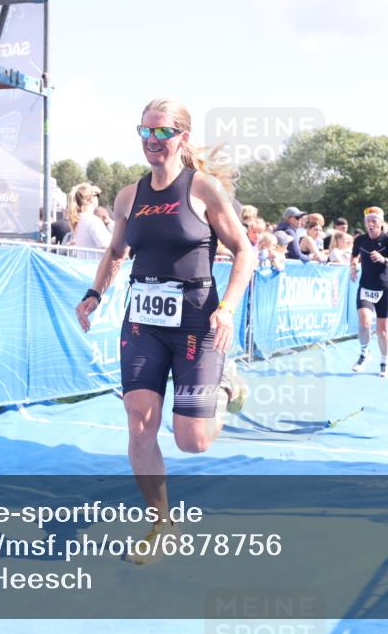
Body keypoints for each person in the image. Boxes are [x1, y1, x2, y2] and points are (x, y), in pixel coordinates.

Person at [74, 98, 255, 563]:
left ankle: (225, 385)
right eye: (145, 132)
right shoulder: (128, 196)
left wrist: (228, 308)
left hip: (197, 315)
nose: (152, 142)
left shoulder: (204, 190)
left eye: (162, 133)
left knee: (191, 441)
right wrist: (94, 295)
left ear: (182, 137)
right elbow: (116, 252)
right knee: (139, 423)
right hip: (143, 321)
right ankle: (162, 522)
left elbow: (244, 251)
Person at [350, 206, 388, 378]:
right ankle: (364, 354)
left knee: (382, 331)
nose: (371, 224)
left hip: (384, 289)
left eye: (374, 221)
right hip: (365, 287)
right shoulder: (360, 240)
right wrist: (353, 266)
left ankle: (385, 362)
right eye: (368, 221)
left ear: (381, 223)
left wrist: (384, 260)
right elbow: (354, 255)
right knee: (364, 323)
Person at [67, 183, 111, 250]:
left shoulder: (77, 220)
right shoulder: (93, 221)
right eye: (97, 195)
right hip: (97, 260)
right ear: (91, 198)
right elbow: (109, 249)